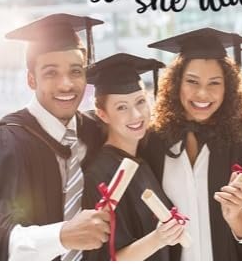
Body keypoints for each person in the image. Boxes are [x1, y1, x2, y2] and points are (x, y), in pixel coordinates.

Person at [0, 12, 111, 260]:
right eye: (51, 73)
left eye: (76, 71)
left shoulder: (95, 130)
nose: (66, 85)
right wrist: (62, 236)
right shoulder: (5, 143)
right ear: (31, 79)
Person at [138, 27, 242, 260]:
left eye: (214, 83)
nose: (202, 93)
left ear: (228, 88)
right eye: (192, 81)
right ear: (176, 84)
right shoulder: (154, 140)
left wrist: (237, 217)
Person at [78, 54, 185, 262]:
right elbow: (105, 258)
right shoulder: (100, 176)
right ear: (102, 114)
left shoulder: (141, 162)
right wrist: (159, 238)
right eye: (121, 107)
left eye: (140, 101)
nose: (136, 115)